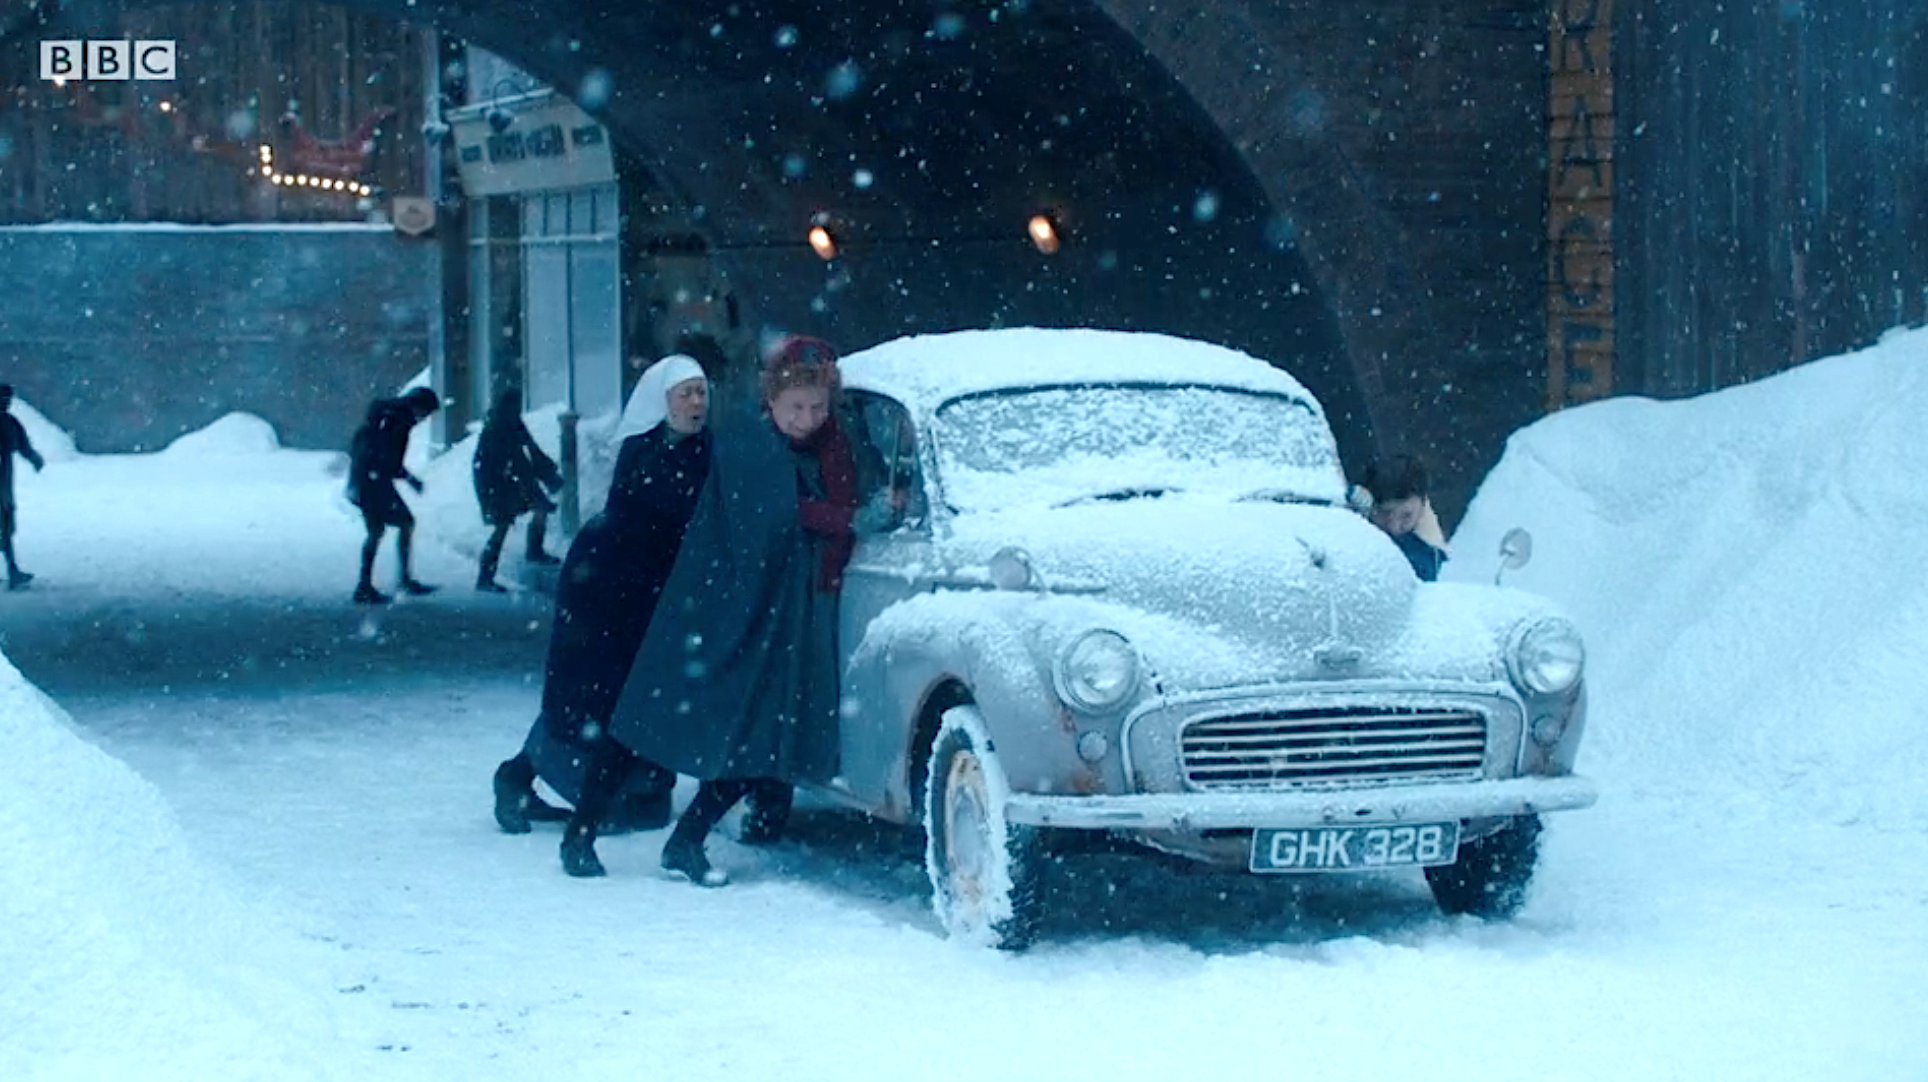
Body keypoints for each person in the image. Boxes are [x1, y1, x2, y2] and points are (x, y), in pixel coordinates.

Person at [608, 335, 857, 886]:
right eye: (796, 408)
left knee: (767, 734)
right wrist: (842, 518)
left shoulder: (826, 444)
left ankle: (723, 828)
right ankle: (680, 836)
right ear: (770, 402)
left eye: (818, 408)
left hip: (792, 605)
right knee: (755, 732)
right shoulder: (752, 447)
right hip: (753, 610)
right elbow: (774, 517)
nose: (808, 419)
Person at [488, 355, 713, 878]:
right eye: (686, 394)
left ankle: (596, 788)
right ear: (662, 400)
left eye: (703, 393)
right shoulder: (644, 451)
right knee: (589, 694)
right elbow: (666, 513)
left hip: (653, 590)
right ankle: (519, 778)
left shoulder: (705, 450)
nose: (697, 403)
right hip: (608, 587)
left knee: (618, 697)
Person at [347, 386, 442, 604]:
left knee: (382, 529)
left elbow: (381, 454)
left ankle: (373, 583)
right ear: (417, 406)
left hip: (369, 477)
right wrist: (408, 478)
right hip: (374, 480)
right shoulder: (397, 420)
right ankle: (375, 584)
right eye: (425, 413)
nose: (424, 419)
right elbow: (389, 457)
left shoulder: (387, 416)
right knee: (390, 527)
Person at [471, 387, 563, 592]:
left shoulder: (510, 422)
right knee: (502, 526)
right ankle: (485, 577)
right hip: (496, 482)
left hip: (508, 479)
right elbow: (516, 458)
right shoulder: (497, 427)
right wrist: (543, 477)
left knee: (539, 509)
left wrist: (546, 474)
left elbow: (530, 449)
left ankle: (534, 550)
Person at [1356, 453, 1449, 582]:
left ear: (1423, 506)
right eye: (1384, 514)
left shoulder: (1425, 553)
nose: (1394, 526)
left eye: (1406, 516)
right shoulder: (1356, 521)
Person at [0, 384, 47, 591]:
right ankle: (13, 570)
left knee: (5, 525)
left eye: (7, 400)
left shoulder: (10, 422)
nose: (6, 403)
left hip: (4, 481)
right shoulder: (8, 422)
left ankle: (13, 570)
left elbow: (22, 444)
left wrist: (33, 457)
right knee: (4, 526)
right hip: (3, 481)